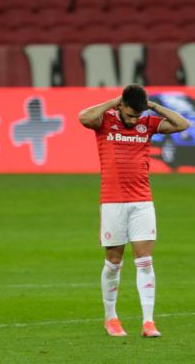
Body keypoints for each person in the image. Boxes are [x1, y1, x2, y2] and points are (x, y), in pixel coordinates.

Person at [78, 84, 189, 337]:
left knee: (145, 260)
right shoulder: (104, 122)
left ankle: (148, 322)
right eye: (129, 115)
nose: (133, 120)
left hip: (142, 202)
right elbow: (83, 117)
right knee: (114, 261)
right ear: (120, 106)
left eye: (136, 116)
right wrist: (113, 102)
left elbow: (183, 124)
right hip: (112, 201)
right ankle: (111, 318)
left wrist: (153, 106)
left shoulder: (147, 123)